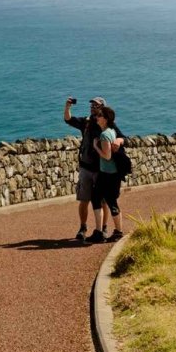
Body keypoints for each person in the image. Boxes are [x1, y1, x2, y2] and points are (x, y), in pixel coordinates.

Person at [64, 95, 124, 241]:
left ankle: (103, 229)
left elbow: (123, 137)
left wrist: (118, 140)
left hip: (100, 169)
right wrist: (67, 107)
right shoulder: (86, 122)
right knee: (84, 200)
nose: (92, 107)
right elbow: (68, 120)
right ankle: (83, 228)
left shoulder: (106, 124)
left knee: (103, 201)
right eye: (92, 105)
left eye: (96, 105)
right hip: (85, 167)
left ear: (102, 108)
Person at [88, 105, 125, 242]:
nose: (96, 117)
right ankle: (116, 232)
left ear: (105, 119)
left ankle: (103, 232)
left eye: (99, 116)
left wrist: (96, 146)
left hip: (107, 174)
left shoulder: (104, 135)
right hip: (113, 174)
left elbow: (107, 156)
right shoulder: (111, 131)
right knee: (108, 200)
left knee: (100, 199)